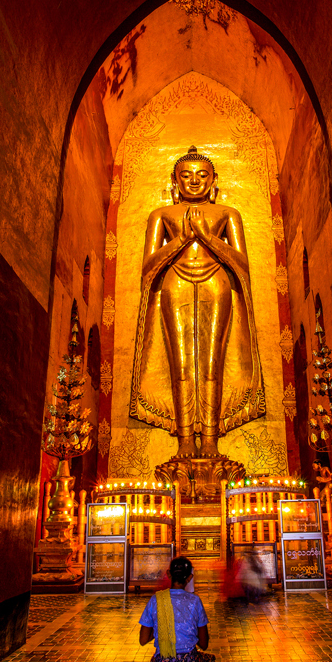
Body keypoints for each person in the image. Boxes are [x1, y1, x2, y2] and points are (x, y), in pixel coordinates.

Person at [130, 146, 265, 457]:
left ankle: (211, 441)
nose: (194, 181)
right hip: (174, 282)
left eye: (202, 175)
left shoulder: (228, 214)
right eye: (186, 176)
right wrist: (179, 240)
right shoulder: (161, 215)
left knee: (212, 362)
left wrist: (207, 237)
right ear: (175, 181)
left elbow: (242, 265)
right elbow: (147, 270)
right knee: (179, 361)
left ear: (213, 180)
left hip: (216, 281)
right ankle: (185, 441)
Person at [139, 556, 225, 662]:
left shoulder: (156, 600)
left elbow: (143, 639)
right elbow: (204, 644)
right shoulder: (195, 602)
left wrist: (163, 626)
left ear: (168, 574)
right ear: (190, 577)